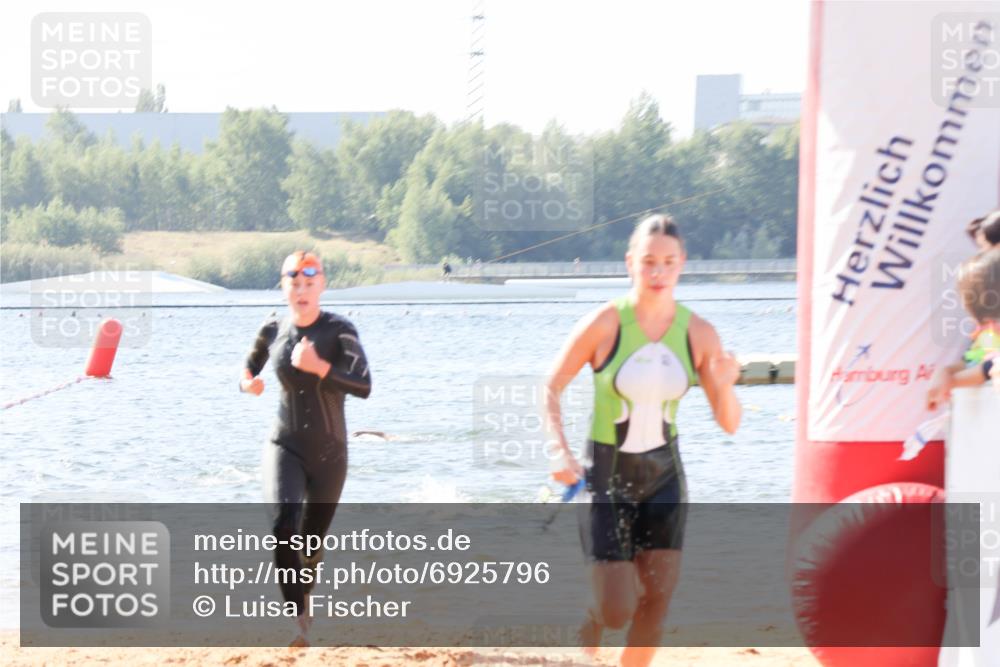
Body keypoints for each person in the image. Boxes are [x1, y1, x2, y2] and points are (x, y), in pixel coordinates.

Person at [545, 214, 742, 667]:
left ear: (682, 265)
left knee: (657, 598)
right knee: (616, 610)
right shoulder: (606, 323)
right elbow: (550, 385)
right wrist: (559, 449)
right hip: (606, 478)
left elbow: (729, 423)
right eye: (649, 261)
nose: (658, 272)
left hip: (665, 481)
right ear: (630, 262)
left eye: (668, 262)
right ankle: (590, 618)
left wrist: (726, 383)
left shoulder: (699, 334)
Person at [239, 250, 372, 646]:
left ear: (322, 285)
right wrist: (248, 383)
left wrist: (321, 369)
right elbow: (248, 367)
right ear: (284, 287)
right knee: (283, 529)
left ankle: (305, 595)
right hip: (285, 444)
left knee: (310, 547)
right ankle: (297, 623)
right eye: (294, 283)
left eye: (309, 283)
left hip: (331, 455)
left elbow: (365, 385)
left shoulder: (340, 331)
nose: (301, 290)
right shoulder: (273, 329)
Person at [927, 247, 1000, 409]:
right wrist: (946, 372)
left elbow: (989, 368)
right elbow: (972, 361)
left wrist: (954, 381)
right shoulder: (986, 337)